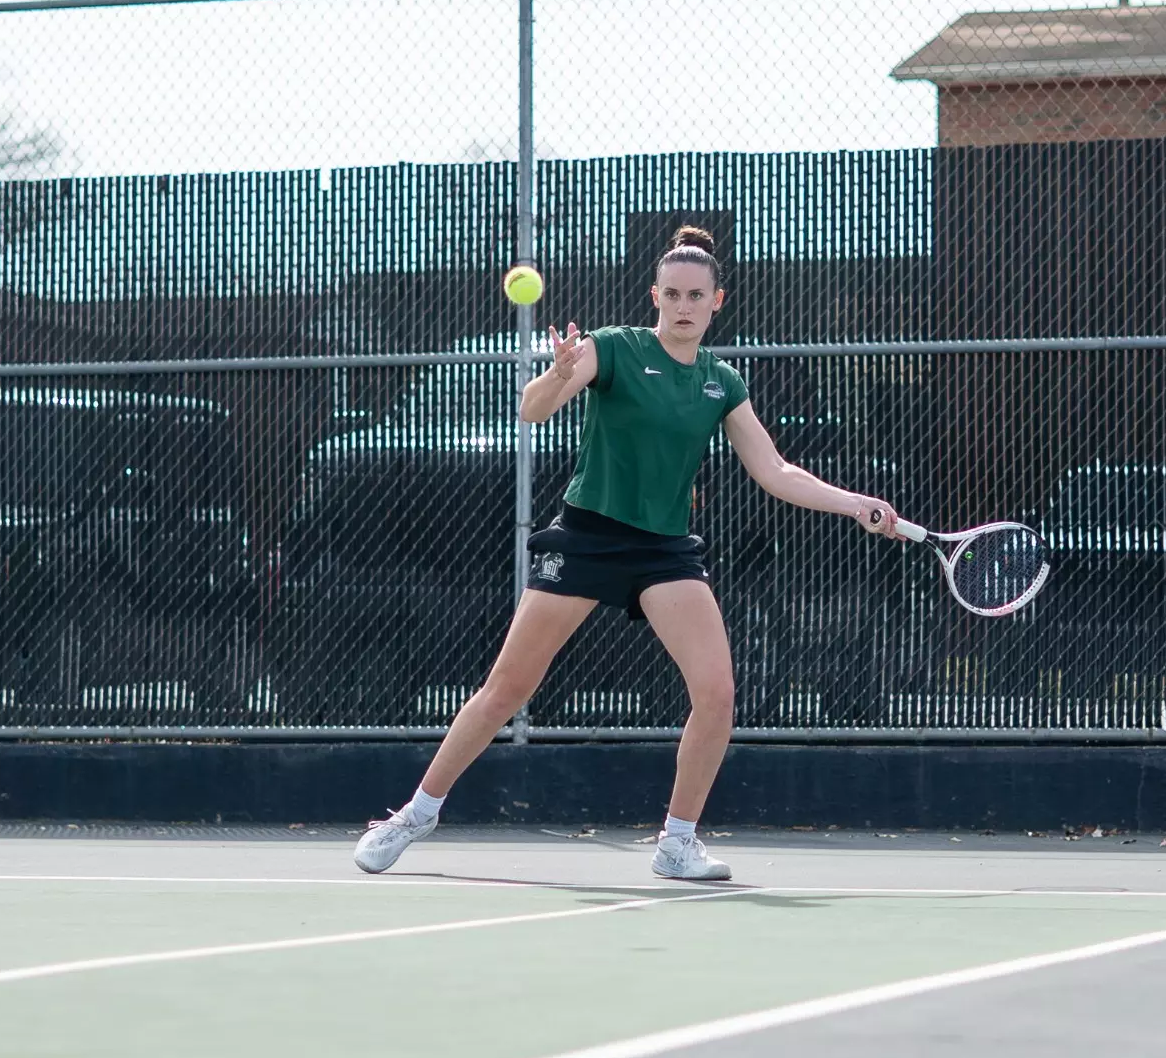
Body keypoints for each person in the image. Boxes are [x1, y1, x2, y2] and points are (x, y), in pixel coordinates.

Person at [353, 226, 905, 880]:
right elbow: (532, 411)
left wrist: (857, 504)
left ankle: (676, 842)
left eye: (696, 295)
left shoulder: (720, 382)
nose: (683, 304)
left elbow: (777, 471)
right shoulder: (612, 348)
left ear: (717, 301)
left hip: (664, 550)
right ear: (655, 295)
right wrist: (557, 374)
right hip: (588, 534)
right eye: (671, 293)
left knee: (717, 693)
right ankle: (415, 814)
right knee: (507, 688)